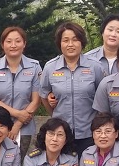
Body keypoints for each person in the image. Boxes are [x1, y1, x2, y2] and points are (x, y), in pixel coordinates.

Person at [40, 22, 104, 154]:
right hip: (60, 134)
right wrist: (54, 114)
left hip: (89, 132)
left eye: (75, 39)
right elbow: (44, 94)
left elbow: (103, 97)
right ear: (59, 43)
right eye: (65, 40)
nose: (70, 44)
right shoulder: (50, 67)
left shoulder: (95, 66)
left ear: (82, 42)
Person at [0, 26, 42, 155]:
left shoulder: (34, 67)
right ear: (2, 44)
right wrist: (17, 114)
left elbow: (36, 101)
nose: (13, 45)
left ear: (24, 44)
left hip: (25, 128)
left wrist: (18, 123)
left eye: (18, 41)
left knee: (23, 163)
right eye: (9, 41)